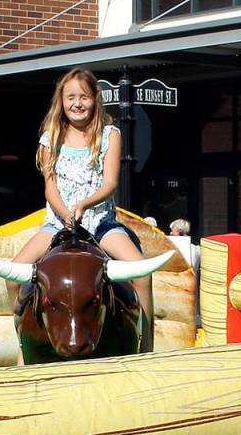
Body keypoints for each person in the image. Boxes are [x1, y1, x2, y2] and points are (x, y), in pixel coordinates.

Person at [9, 67, 154, 350]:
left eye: (84, 97)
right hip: (56, 224)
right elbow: (49, 187)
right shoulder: (50, 137)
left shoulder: (109, 134)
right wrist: (65, 214)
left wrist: (84, 205)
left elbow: (111, 182)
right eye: (71, 97)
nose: (78, 103)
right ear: (61, 101)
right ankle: (23, 338)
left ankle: (145, 345)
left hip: (100, 224)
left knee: (142, 273)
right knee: (14, 274)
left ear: (95, 99)